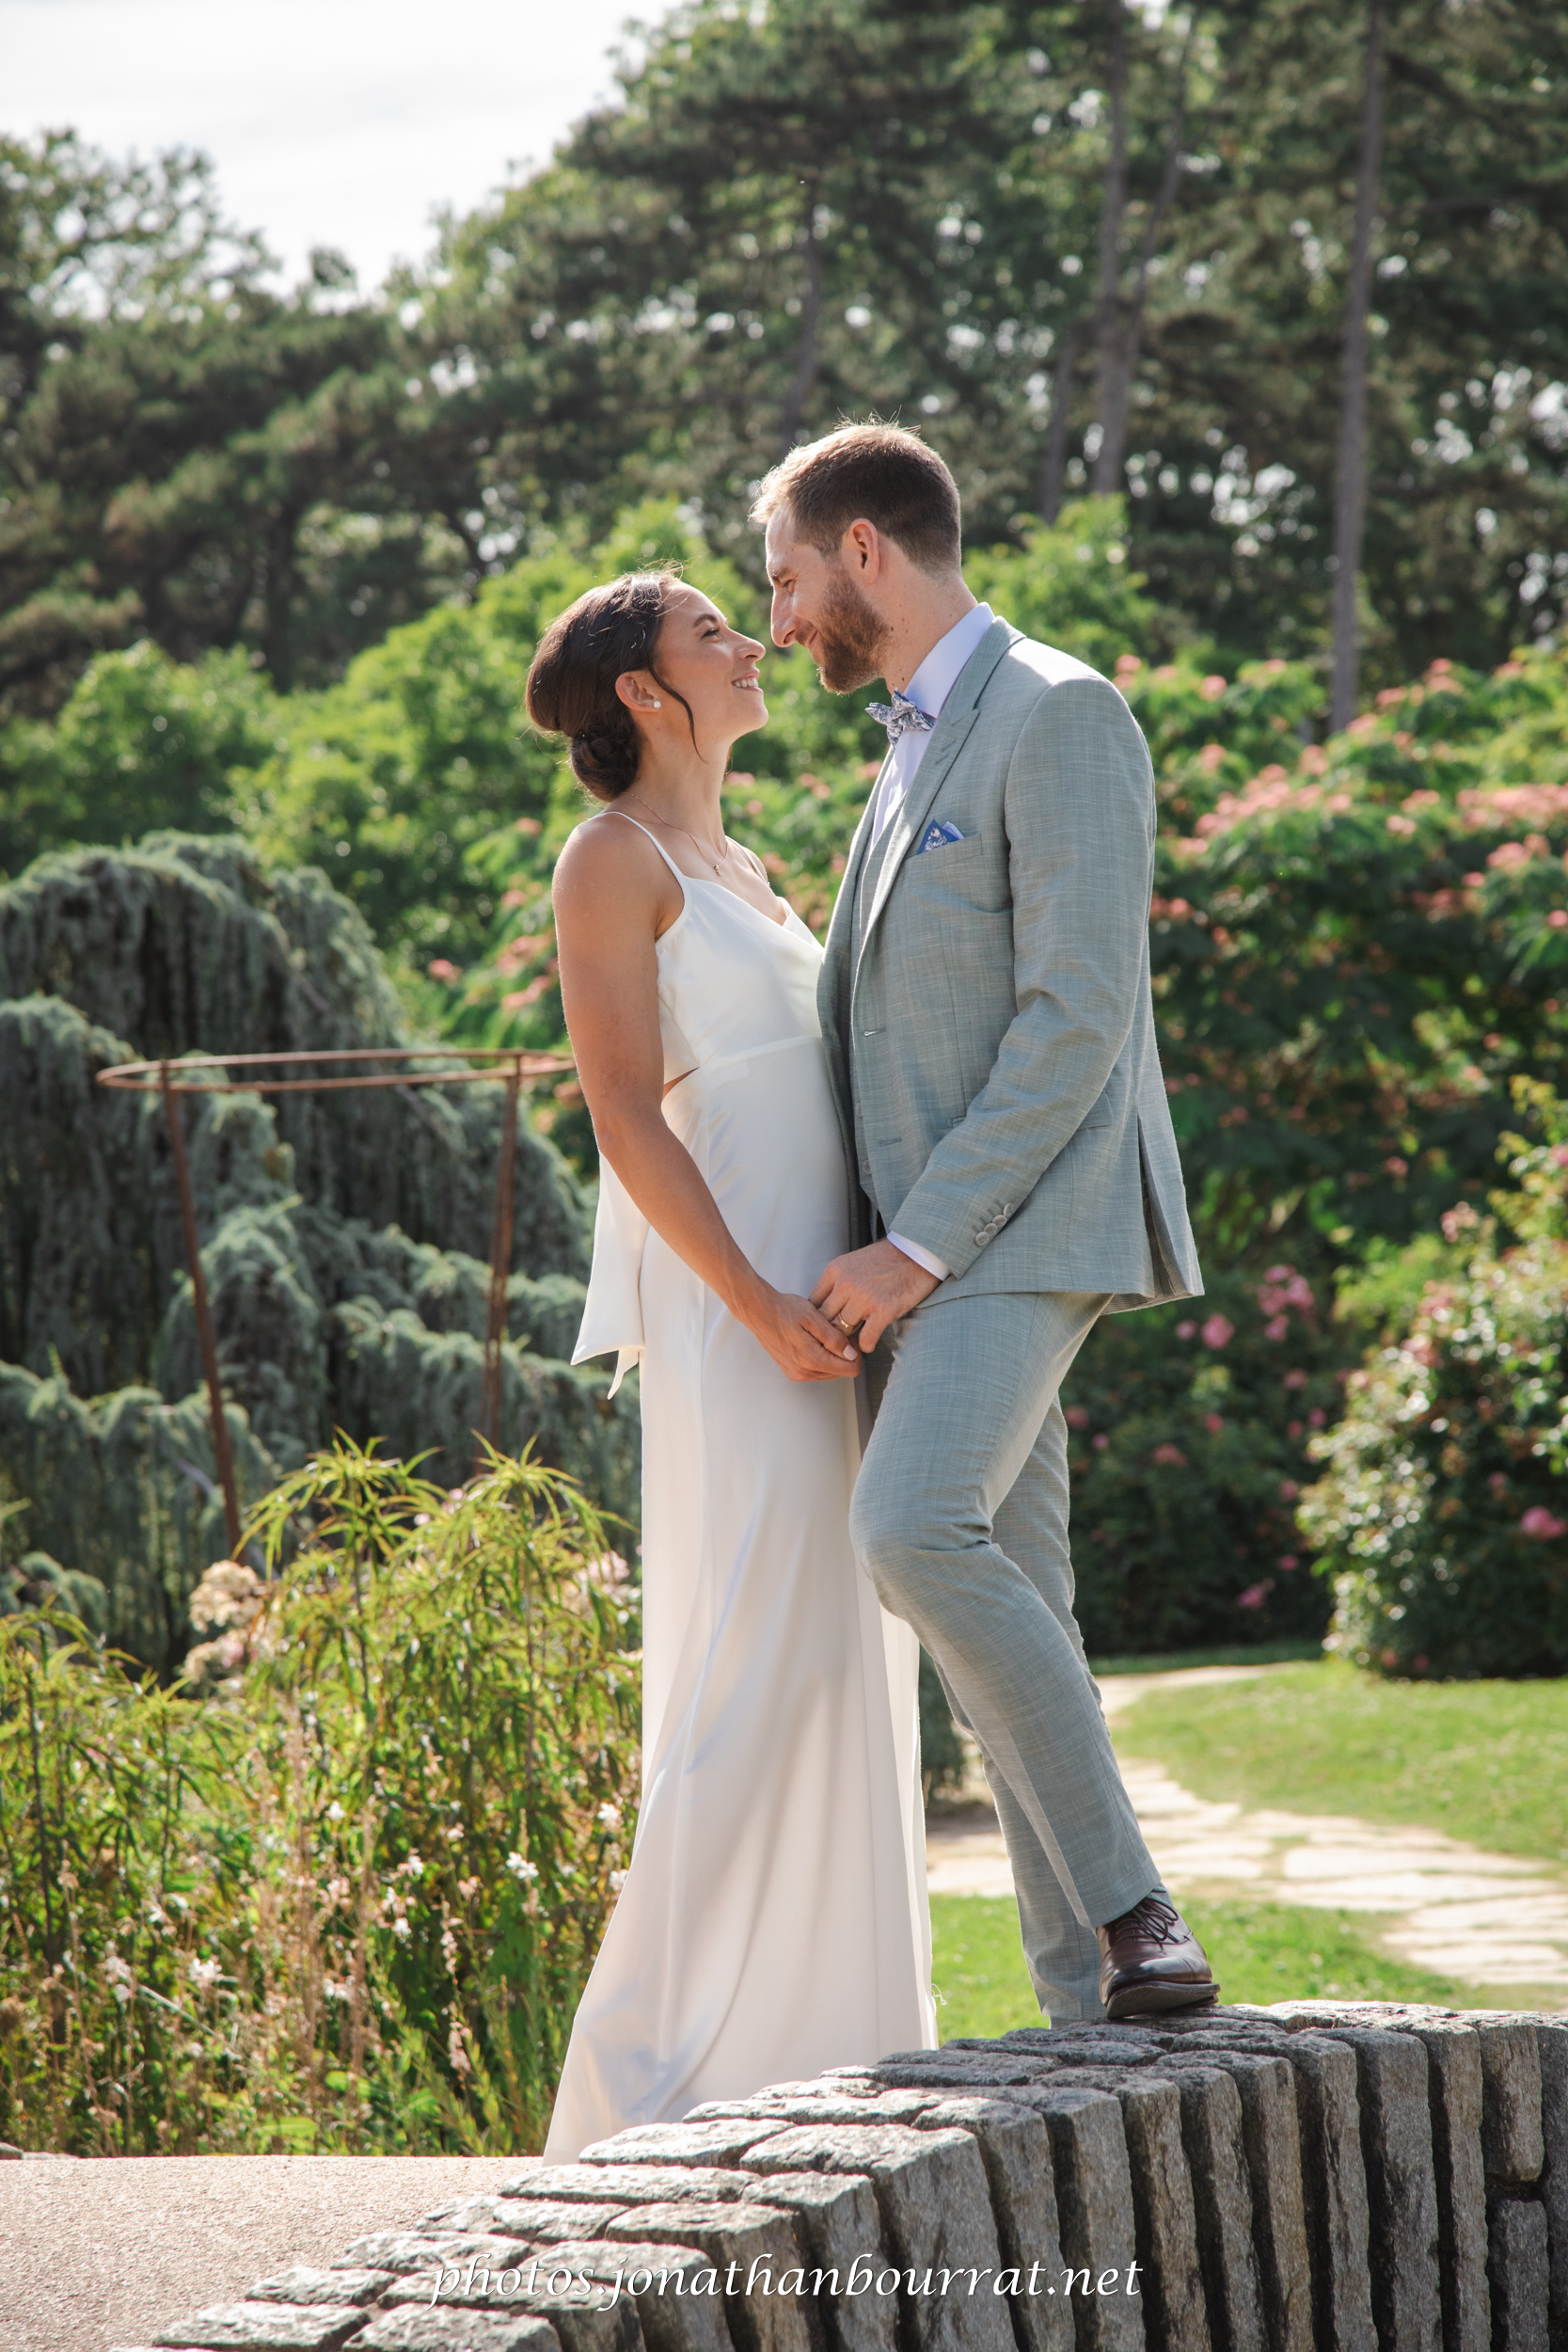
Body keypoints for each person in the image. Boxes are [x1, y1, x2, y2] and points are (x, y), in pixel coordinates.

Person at [753, 421, 1218, 2026]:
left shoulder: (1060, 710)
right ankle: (1088, 2020)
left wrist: (919, 1244)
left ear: (863, 548)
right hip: (926, 1250)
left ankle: (1137, 1911)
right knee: (1011, 1604)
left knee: (910, 1529)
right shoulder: (905, 747)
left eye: (787, 579)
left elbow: (1078, 1014)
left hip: (1018, 1226)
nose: (779, 621)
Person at [531, 568, 935, 2158]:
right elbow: (626, 1116)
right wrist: (761, 1305)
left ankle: (831, 2061)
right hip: (741, 1310)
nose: (752, 642)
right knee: (752, 1666)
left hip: (831, 1313)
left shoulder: (748, 864)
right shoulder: (608, 860)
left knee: (841, 1656)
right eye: (712, 631)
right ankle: (638, 2093)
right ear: (643, 692)